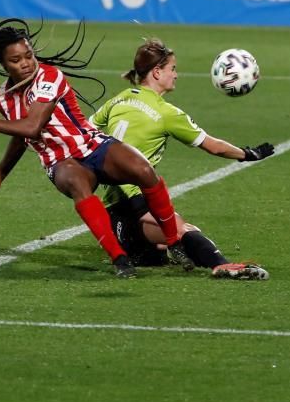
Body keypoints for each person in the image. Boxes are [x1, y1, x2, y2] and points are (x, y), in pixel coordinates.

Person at [0, 18, 191, 279]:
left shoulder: (49, 76)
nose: (25, 63)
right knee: (78, 184)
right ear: (2, 64)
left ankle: (174, 242)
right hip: (60, 162)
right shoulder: (3, 98)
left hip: (91, 145)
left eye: (28, 55)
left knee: (144, 170)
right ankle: (121, 260)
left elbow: (33, 126)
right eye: (16, 60)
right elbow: (22, 135)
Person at [88, 38, 274, 280]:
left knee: (157, 254)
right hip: (135, 202)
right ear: (156, 72)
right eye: (172, 69)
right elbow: (214, 146)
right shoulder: (167, 113)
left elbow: (86, 128)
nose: (176, 75)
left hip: (113, 213)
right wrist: (248, 154)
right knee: (184, 231)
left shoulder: (119, 99)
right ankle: (222, 265)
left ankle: (142, 251)